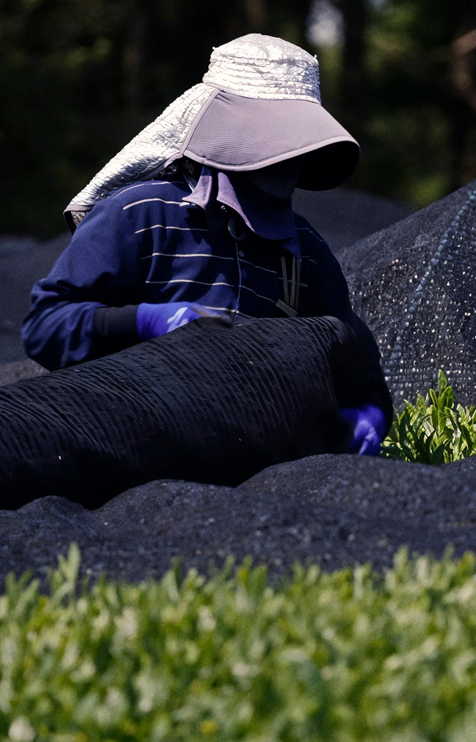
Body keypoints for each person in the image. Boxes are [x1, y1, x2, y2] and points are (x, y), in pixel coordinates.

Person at [21, 33, 391, 455]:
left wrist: (371, 412)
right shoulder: (139, 217)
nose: (292, 161)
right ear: (227, 135)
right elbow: (45, 326)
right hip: (130, 448)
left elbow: (358, 365)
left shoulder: (304, 252)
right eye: (280, 141)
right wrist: (146, 321)